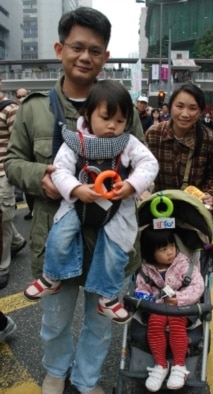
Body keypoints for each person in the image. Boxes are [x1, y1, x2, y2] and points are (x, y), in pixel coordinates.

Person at [5, 7, 145, 394]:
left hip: (109, 238)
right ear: (60, 48)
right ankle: (56, 371)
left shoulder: (121, 109)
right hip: (57, 232)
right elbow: (13, 163)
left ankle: (85, 380)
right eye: (77, 47)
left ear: (105, 57)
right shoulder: (33, 109)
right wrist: (42, 178)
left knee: (100, 321)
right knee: (55, 319)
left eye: (95, 50)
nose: (86, 57)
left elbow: (141, 160)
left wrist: (129, 186)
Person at [24, 80, 159, 326]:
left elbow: (149, 163)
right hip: (78, 201)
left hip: (117, 206)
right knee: (60, 234)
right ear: (88, 114)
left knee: (116, 249)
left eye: (120, 121)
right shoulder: (75, 141)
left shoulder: (128, 142)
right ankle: (51, 277)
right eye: (106, 118)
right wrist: (75, 188)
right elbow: (59, 170)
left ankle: (107, 297)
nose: (112, 126)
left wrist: (132, 184)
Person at [135, 226, 204, 392]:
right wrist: (145, 298)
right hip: (158, 308)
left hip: (182, 308)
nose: (170, 252)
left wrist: (179, 299)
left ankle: (179, 365)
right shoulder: (146, 270)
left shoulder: (184, 265)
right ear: (151, 253)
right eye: (163, 249)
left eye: (172, 246)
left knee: (175, 321)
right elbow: (141, 289)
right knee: (155, 324)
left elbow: (198, 286)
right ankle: (160, 365)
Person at [145, 83, 213, 220]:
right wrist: (142, 191)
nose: (185, 114)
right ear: (170, 107)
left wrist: (208, 194)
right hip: (159, 208)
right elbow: (138, 168)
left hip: (195, 210)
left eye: (192, 108)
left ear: (200, 111)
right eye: (179, 106)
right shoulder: (154, 134)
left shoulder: (209, 138)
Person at [0, 92, 26, 290]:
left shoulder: (10, 109)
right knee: (4, 218)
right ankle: (16, 242)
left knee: (3, 218)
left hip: (2, 172)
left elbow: (19, 144)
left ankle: (2, 267)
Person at [15, 88, 34, 220]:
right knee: (26, 186)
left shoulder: (32, 111)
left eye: (24, 95)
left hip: (34, 153)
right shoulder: (13, 111)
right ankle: (31, 209)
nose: (21, 98)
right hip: (21, 154)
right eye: (18, 96)